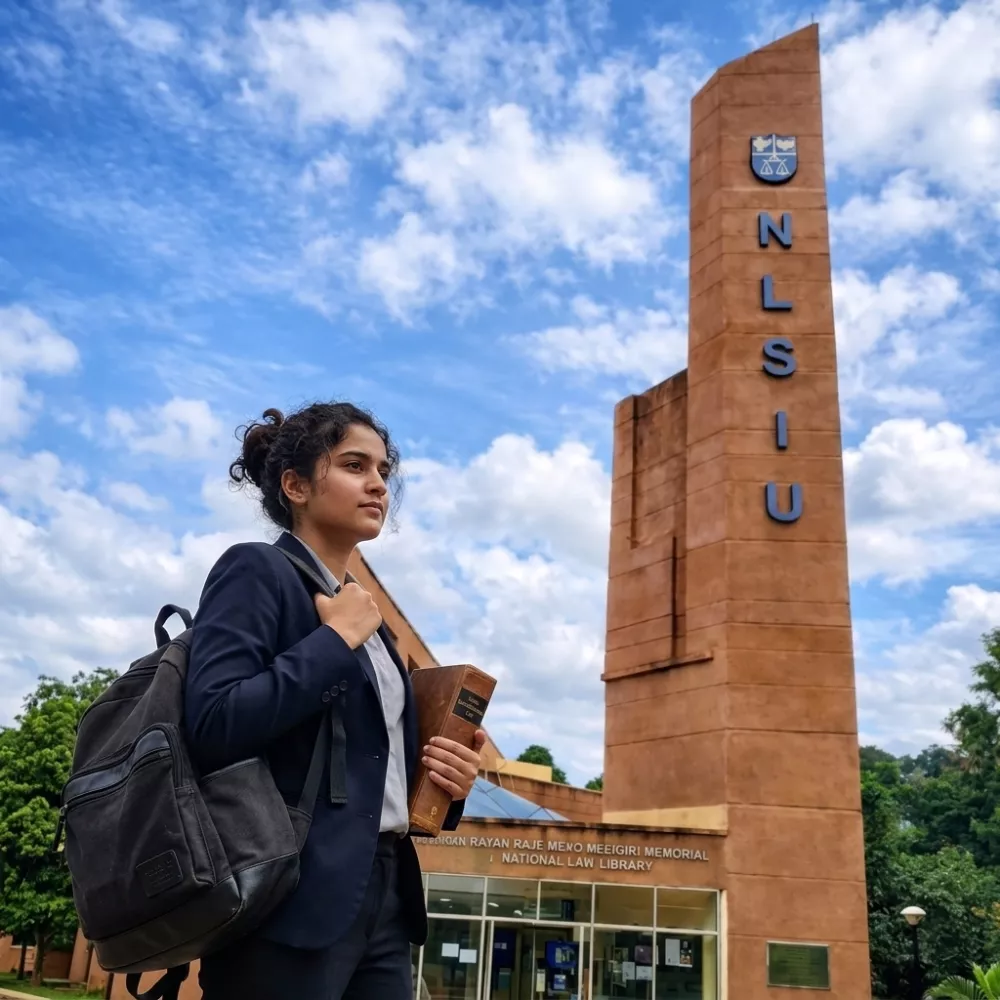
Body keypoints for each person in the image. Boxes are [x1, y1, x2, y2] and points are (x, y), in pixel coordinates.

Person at [184, 401, 485, 1000]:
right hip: (287, 897)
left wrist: (447, 784)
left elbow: (375, 764)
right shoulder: (257, 572)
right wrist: (332, 641)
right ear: (295, 485)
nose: (378, 483)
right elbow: (214, 723)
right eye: (354, 465)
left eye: (382, 469)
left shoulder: (373, 624)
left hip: (387, 897)